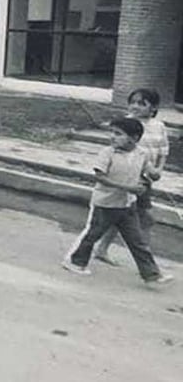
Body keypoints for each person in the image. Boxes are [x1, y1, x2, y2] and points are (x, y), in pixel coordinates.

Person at [62, 117, 172, 285]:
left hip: (127, 205)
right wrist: (127, 187)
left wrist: (155, 174)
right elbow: (100, 177)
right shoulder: (107, 153)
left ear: (134, 138)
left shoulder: (141, 154)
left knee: (137, 241)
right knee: (92, 235)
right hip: (105, 203)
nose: (112, 137)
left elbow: (149, 171)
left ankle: (151, 273)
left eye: (118, 134)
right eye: (112, 133)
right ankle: (75, 261)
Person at [95, 88, 170, 265]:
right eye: (132, 102)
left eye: (141, 103)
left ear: (153, 108)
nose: (135, 106)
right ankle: (146, 260)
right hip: (130, 179)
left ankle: (101, 248)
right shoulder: (125, 124)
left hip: (147, 178)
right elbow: (117, 150)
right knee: (145, 218)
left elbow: (163, 150)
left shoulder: (159, 126)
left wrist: (159, 169)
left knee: (122, 216)